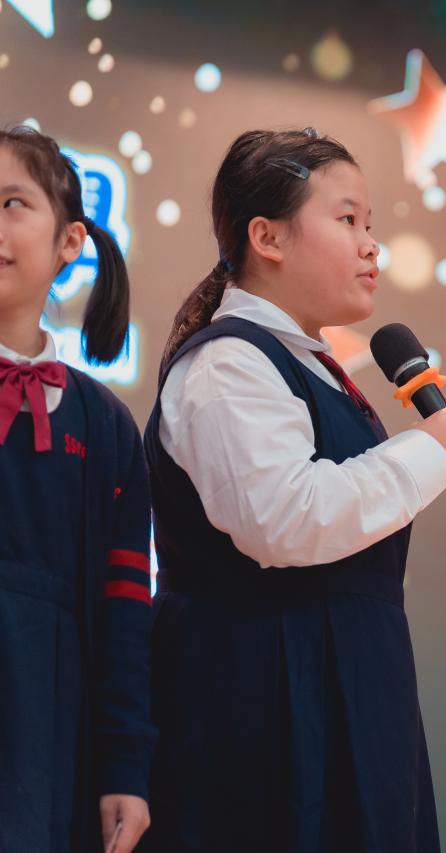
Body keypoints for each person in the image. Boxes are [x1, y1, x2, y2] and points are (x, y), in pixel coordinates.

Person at [141, 128, 446, 852]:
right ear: (267, 236)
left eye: (370, 225)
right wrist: (430, 450)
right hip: (261, 709)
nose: (371, 246)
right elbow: (283, 519)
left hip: (347, 696)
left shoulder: (306, 365)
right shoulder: (228, 365)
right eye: (348, 219)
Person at [0, 125, 155, 852]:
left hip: (46, 734)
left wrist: (125, 767)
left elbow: (125, 618)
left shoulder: (108, 428)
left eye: (12, 203)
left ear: (69, 242)